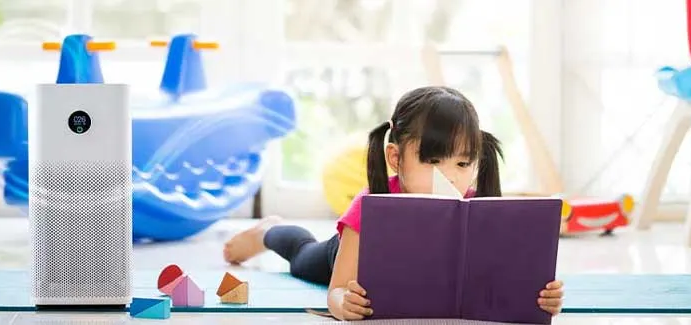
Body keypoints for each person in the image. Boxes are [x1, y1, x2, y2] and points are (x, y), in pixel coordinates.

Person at [222, 86, 565, 320]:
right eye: (433, 161)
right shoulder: (371, 205)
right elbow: (337, 290)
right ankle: (269, 230)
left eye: (463, 164)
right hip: (342, 258)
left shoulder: (477, 210)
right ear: (395, 158)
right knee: (302, 255)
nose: (450, 177)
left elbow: (499, 277)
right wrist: (343, 303)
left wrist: (542, 296)